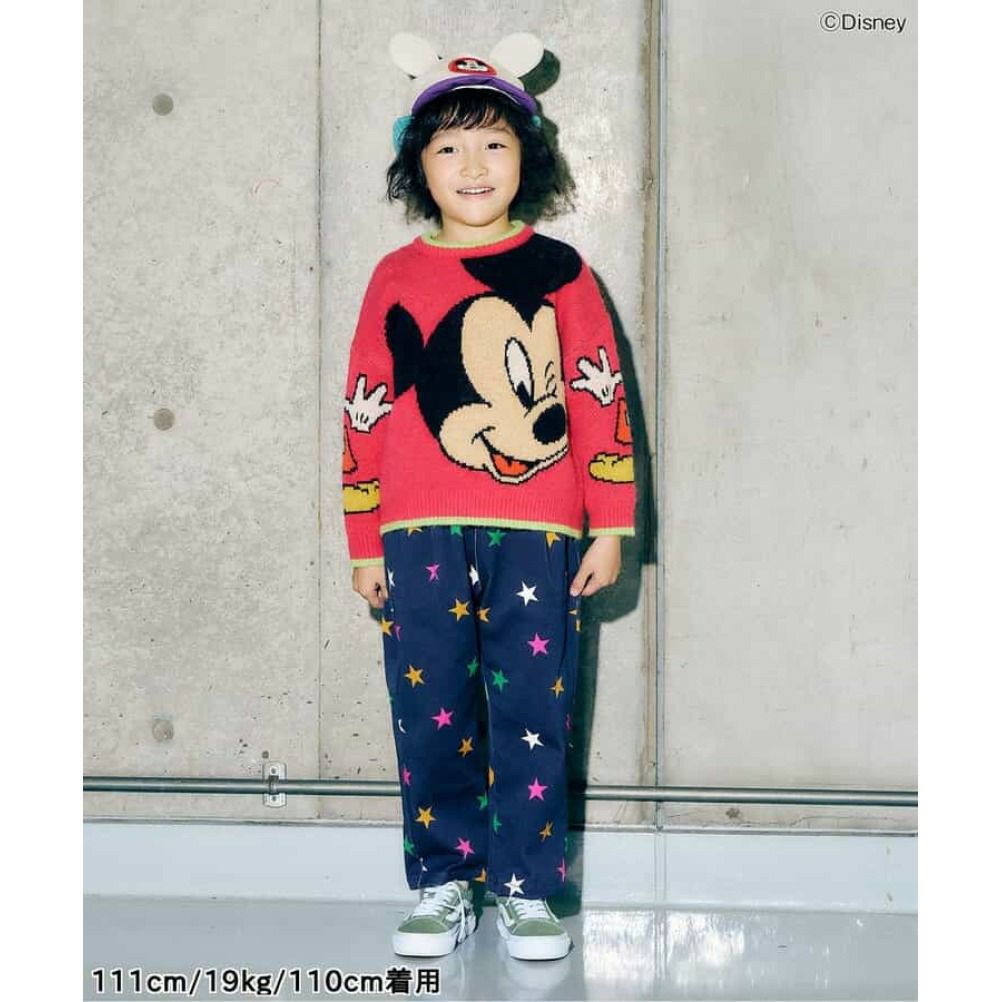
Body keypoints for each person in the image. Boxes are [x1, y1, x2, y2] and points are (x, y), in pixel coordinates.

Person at [341, 32, 636, 962]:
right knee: (429, 712)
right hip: (415, 533)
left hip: (539, 534)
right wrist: (362, 537)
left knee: (533, 715)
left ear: (527, 157)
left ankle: (526, 888)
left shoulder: (563, 272)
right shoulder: (394, 276)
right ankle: (444, 881)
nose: (473, 166)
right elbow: (364, 406)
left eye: (495, 144)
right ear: (417, 164)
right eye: (450, 147)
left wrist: (611, 523)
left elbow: (597, 395)